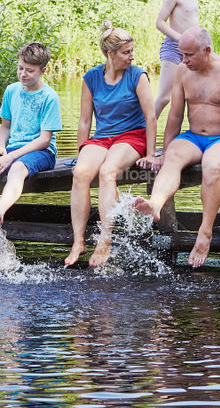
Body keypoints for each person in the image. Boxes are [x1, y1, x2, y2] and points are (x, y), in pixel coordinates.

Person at [134, 26, 220, 267]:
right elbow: (175, 116)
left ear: (207, 50)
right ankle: (155, 205)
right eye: (181, 54)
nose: (184, 60)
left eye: (189, 55)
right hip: (194, 137)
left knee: (211, 166)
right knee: (172, 158)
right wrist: (164, 151)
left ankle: (205, 233)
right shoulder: (182, 72)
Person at [64, 23, 157, 269]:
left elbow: (151, 118)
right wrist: (81, 152)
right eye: (126, 52)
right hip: (102, 137)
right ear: (110, 54)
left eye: (132, 50)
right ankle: (79, 241)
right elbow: (85, 120)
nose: (132, 56)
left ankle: (105, 239)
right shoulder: (92, 77)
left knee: (107, 172)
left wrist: (150, 153)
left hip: (132, 135)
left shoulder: (138, 76)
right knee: (81, 173)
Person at [0, 41, 61, 225]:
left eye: (29, 70)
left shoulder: (49, 97)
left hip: (41, 152)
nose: (23, 74)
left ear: (43, 71)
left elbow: (45, 140)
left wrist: (10, 157)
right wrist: (2, 148)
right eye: (20, 68)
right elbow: (5, 127)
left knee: (18, 168)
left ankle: (0, 209)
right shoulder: (11, 91)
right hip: (12, 149)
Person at [154, 0, 207, 120]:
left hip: (192, 50)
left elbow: (192, 22)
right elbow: (159, 23)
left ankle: (199, 133)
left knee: (194, 95)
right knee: (164, 97)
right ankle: (142, 131)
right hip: (173, 48)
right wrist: (179, 37)